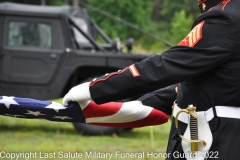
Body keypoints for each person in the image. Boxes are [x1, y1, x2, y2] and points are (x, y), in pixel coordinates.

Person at [63, 0, 240, 159]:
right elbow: (215, 81)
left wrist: (94, 89)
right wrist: (144, 104)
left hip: (219, 140)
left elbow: (169, 65)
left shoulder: (226, 17)